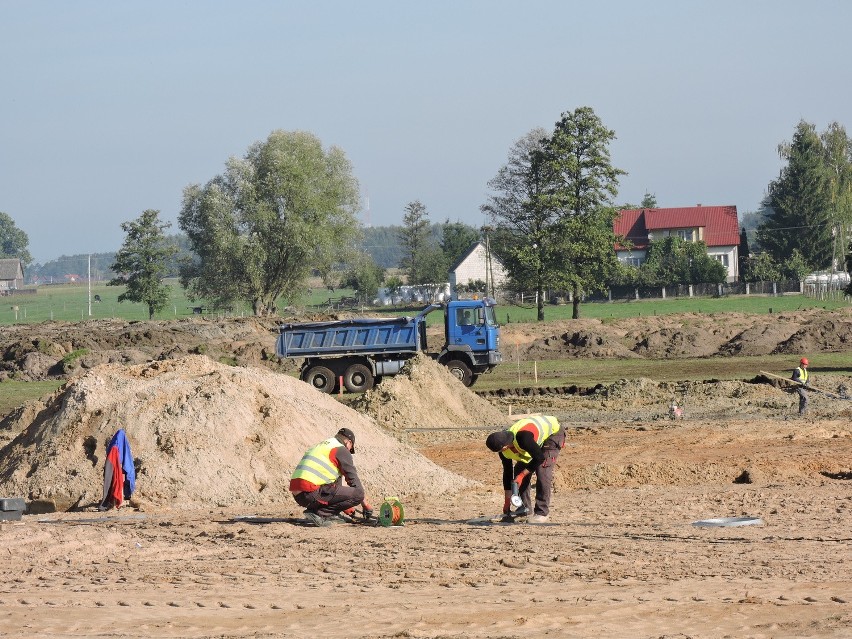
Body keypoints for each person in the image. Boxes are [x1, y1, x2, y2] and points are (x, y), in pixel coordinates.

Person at [485, 415, 565, 524]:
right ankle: (524, 510)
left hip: (552, 433)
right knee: (518, 470)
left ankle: (542, 512)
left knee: (542, 470)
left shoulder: (523, 438)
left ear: (504, 446)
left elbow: (539, 458)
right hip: (532, 444)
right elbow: (508, 473)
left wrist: (522, 476)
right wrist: (507, 503)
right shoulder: (504, 449)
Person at [290, 427, 373, 527]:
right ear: (349, 443)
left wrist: (344, 506)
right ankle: (321, 513)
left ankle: (326, 513)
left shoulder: (322, 446)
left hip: (299, 495)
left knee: (337, 480)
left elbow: (335, 486)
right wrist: (366, 506)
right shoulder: (340, 449)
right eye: (350, 449)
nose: (349, 452)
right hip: (311, 492)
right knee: (359, 494)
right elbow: (353, 481)